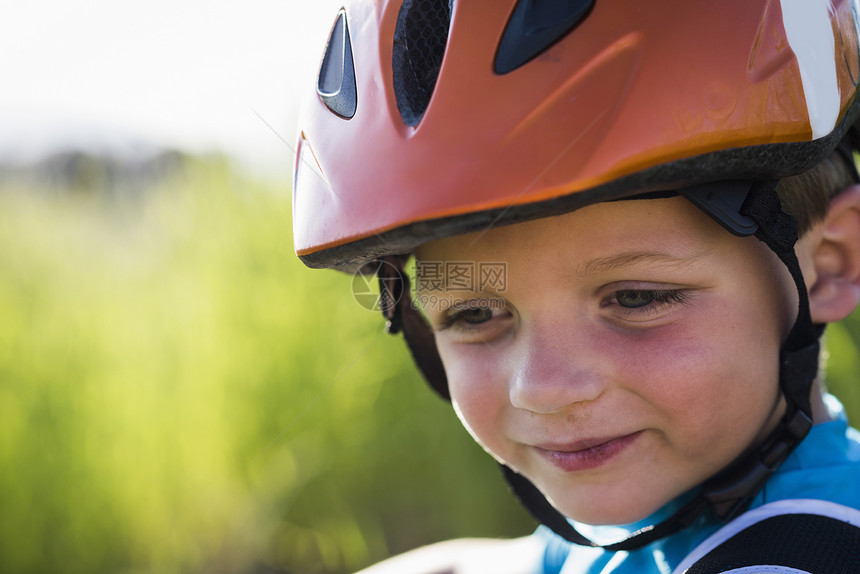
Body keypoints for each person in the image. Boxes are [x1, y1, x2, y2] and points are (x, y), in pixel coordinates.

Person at [292, 1, 860, 572]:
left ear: (832, 263)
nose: (542, 389)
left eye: (636, 298)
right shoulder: (649, 530)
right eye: (475, 315)